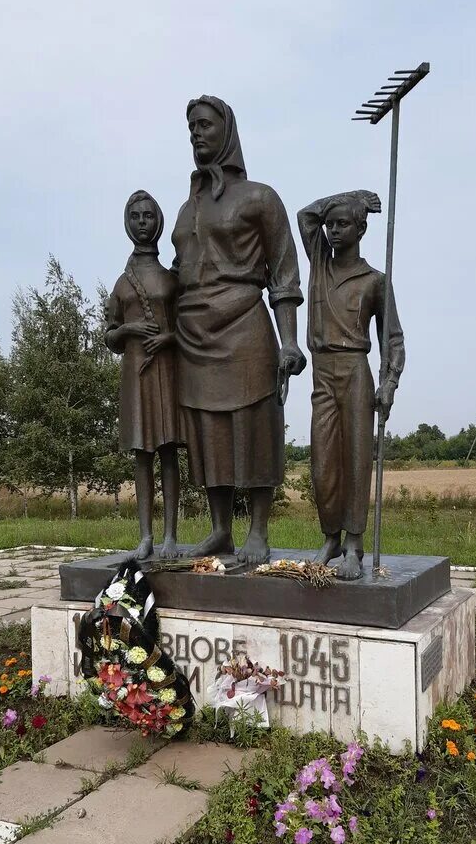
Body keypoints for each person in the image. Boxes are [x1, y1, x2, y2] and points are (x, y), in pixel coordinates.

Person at [171, 95, 306, 563]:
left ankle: (259, 531)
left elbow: (284, 273)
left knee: (254, 427)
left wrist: (289, 340)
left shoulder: (260, 198)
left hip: (244, 325)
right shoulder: (186, 210)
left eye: (205, 125)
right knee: (209, 433)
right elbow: (176, 272)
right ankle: (220, 530)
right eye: (191, 127)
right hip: (193, 335)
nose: (196, 133)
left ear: (226, 130)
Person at [297, 189, 405, 580]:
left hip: (356, 370)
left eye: (343, 223)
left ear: (361, 228)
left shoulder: (375, 281)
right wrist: (351, 196)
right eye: (331, 224)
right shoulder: (319, 264)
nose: (333, 230)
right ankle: (331, 537)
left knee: (357, 459)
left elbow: (392, 337)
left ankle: (354, 545)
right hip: (322, 371)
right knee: (323, 462)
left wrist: (389, 381)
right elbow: (305, 215)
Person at [105, 190, 182, 559]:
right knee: (142, 454)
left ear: (158, 222)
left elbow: (188, 328)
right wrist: (130, 330)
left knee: (168, 451)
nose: (141, 223)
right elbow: (110, 334)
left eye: (148, 216)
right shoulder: (122, 284)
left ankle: (170, 535)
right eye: (135, 217)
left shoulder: (172, 279)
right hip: (136, 375)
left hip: (166, 371)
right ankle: (145, 537)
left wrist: (168, 337)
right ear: (126, 223)